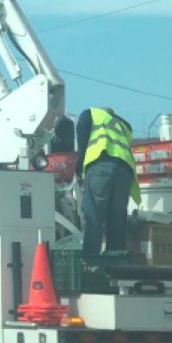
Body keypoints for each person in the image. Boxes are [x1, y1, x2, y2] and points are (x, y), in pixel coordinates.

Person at [75, 106, 140, 255]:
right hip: (125, 171)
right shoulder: (124, 125)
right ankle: (115, 264)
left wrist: (79, 167)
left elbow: (82, 141)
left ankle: (90, 262)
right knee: (117, 219)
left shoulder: (91, 113)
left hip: (100, 166)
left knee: (93, 216)